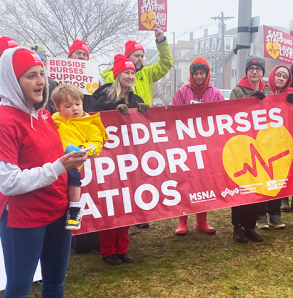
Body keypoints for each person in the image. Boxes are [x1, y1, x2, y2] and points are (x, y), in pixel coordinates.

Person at [0, 47, 87, 298]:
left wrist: (76, 157)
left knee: (56, 284)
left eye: (41, 74)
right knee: (18, 291)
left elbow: (54, 158)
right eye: (30, 75)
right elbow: (8, 182)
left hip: (58, 212)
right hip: (22, 219)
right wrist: (60, 166)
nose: (40, 82)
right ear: (13, 81)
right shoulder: (3, 121)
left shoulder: (45, 115)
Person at [92, 54, 148, 265]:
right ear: (117, 75)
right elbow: (95, 122)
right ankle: (107, 250)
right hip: (109, 158)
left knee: (127, 202)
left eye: (132, 73)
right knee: (111, 203)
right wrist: (113, 112)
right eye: (126, 72)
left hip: (130, 158)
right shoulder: (104, 99)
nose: (130, 76)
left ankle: (122, 248)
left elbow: (144, 126)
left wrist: (143, 112)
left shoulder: (136, 99)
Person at [171, 56, 224, 236]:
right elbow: (171, 116)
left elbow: (223, 117)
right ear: (191, 75)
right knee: (185, 183)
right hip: (185, 146)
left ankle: (202, 221)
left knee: (203, 184)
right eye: (196, 73)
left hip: (207, 147)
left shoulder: (215, 93)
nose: (199, 76)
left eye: (202, 73)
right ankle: (182, 221)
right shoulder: (182, 92)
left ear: (207, 74)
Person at [51, 84, 108, 230]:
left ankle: (74, 209)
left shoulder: (90, 124)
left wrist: (86, 149)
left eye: (78, 104)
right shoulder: (55, 119)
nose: (75, 108)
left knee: (73, 178)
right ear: (59, 109)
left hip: (72, 162)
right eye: (69, 106)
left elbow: (97, 143)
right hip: (53, 162)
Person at [230, 55, 272, 243]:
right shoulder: (238, 91)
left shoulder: (270, 91)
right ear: (246, 72)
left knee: (258, 189)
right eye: (251, 69)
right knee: (241, 189)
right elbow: (230, 114)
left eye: (258, 69)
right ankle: (237, 227)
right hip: (242, 147)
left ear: (263, 72)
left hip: (263, 147)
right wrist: (251, 102)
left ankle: (250, 226)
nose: (254, 72)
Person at [101, 24, 173, 107]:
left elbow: (166, 63)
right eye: (136, 56)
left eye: (142, 56)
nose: (140, 59)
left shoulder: (147, 73)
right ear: (127, 57)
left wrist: (161, 41)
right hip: (123, 118)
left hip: (144, 118)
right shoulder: (114, 76)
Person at [265, 65, 293, 215]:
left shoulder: (290, 94)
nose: (281, 78)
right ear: (272, 76)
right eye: (278, 75)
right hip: (267, 142)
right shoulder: (263, 91)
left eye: (284, 77)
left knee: (282, 178)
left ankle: (275, 214)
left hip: (285, 143)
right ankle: (261, 215)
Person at [26, 43, 58, 115]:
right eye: (29, 59)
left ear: (45, 63)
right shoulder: (10, 86)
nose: (35, 63)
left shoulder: (54, 85)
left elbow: (59, 109)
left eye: (39, 60)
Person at [68, 39, 96, 112]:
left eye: (84, 54)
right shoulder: (60, 76)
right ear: (70, 56)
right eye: (78, 53)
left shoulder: (95, 78)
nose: (81, 56)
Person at [0, 36, 18, 102]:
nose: (14, 58)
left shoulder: (21, 76)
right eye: (10, 55)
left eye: (17, 54)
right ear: (0, 58)